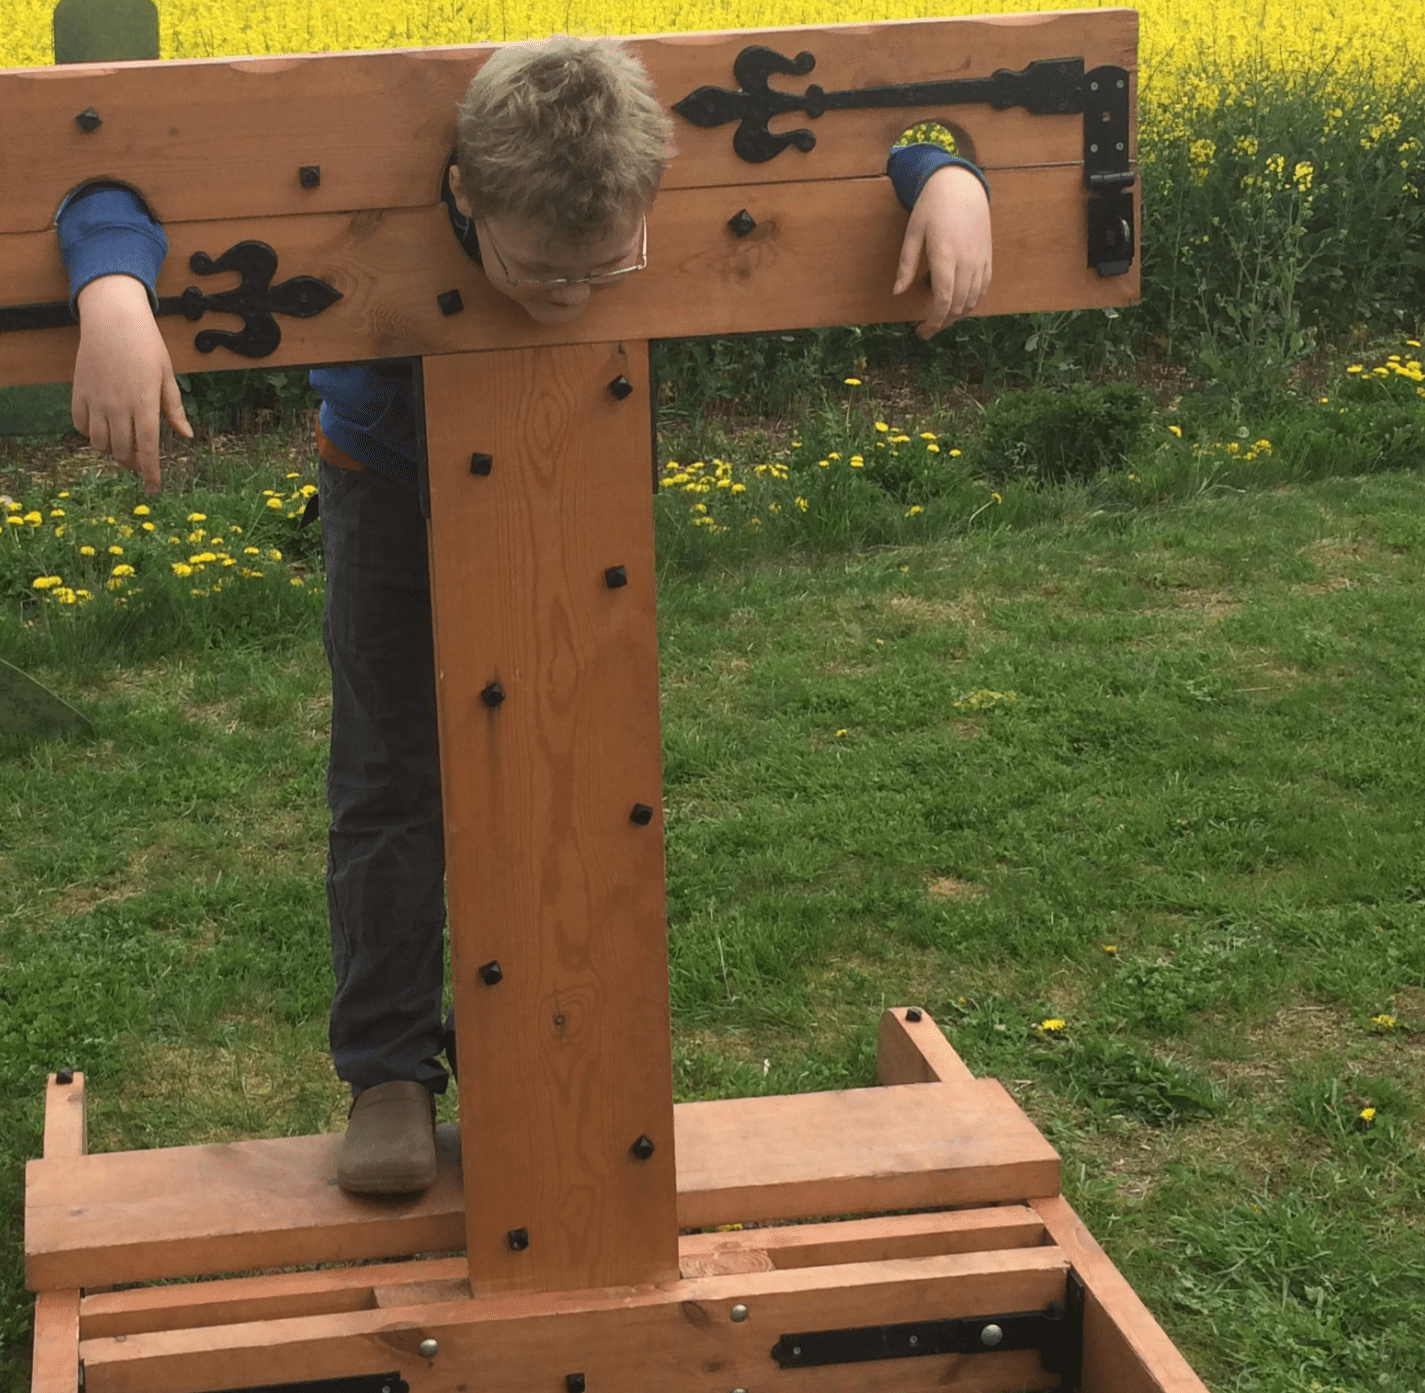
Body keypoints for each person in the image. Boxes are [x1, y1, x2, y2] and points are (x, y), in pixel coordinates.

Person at [55, 37, 993, 1199]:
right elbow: (101, 175)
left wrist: (940, 172)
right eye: (541, 272)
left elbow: (835, 139)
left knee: (578, 763)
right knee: (390, 777)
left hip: (582, 459)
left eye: (607, 268)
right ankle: (388, 1071)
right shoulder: (426, 193)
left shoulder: (637, 195)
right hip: (386, 482)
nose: (570, 294)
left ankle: (549, 1048)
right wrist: (108, 282)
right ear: (460, 190)